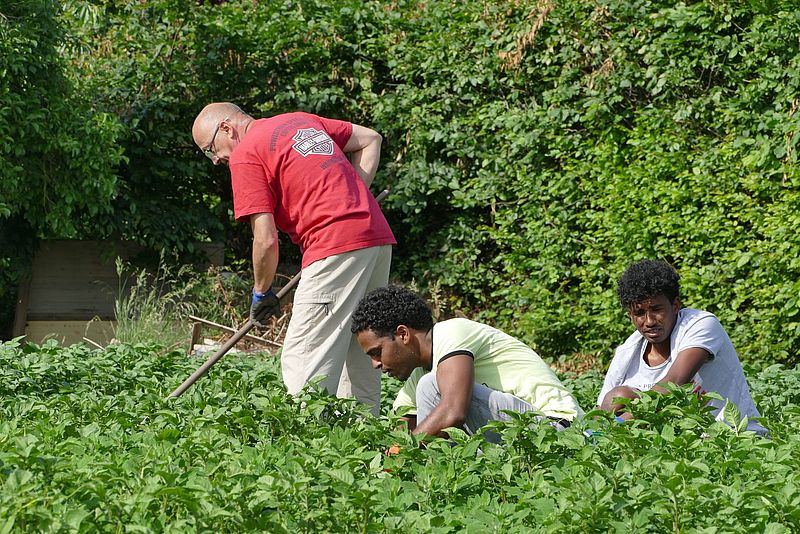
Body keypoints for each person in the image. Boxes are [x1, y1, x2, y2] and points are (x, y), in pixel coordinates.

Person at [192, 102, 395, 414]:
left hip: (334, 244)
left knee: (305, 359)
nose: (216, 160)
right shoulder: (298, 121)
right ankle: (364, 435)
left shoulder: (246, 154)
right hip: (376, 239)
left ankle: (305, 440)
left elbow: (265, 239)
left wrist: (261, 292)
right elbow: (371, 139)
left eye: (210, 150)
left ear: (226, 128)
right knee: (363, 348)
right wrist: (353, 197)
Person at [350, 285, 584, 442]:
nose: (375, 364)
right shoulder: (419, 373)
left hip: (559, 430)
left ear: (403, 334)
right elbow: (400, 430)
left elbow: (453, 412)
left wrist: (402, 455)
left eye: (377, 352)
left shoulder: (452, 331)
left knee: (431, 387)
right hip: (525, 436)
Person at [598, 259, 766, 434]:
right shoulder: (627, 353)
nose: (649, 321)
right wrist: (597, 433)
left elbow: (675, 382)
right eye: (639, 313)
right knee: (619, 396)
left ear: (675, 305)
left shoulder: (701, 324)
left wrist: (616, 427)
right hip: (674, 443)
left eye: (657, 309)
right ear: (630, 316)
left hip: (734, 437)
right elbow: (600, 411)